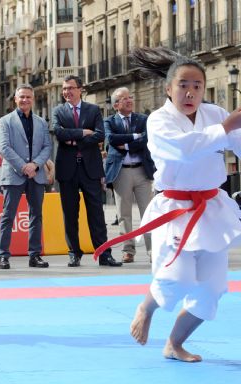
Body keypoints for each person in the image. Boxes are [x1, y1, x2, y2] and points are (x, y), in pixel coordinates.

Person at [95, 47, 241, 362]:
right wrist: (228, 127)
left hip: (211, 207)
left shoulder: (214, 115)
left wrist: (231, 129)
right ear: (168, 88)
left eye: (197, 86)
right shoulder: (159, 121)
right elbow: (186, 150)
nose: (190, 92)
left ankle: (174, 343)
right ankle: (146, 308)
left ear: (204, 89)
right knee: (178, 277)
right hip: (175, 210)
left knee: (212, 289)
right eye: (183, 85)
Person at [52, 75, 122, 268]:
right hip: (67, 170)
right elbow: (59, 133)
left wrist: (72, 138)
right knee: (70, 214)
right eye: (64, 89)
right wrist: (83, 132)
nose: (67, 92)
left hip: (90, 168)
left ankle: (104, 254)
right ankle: (74, 253)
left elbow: (100, 134)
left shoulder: (93, 110)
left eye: (70, 88)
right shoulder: (58, 111)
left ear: (80, 89)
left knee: (96, 214)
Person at [0, 84, 52, 270]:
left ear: (33, 99)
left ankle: (34, 255)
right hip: (14, 174)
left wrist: (35, 165)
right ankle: (3, 255)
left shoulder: (41, 122)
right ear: (15, 99)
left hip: (36, 174)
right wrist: (23, 167)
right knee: (8, 216)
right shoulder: (5, 121)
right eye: (21, 97)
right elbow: (4, 147)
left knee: (36, 215)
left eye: (28, 97)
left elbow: (47, 147)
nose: (25, 100)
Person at [104, 87, 154, 263]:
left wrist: (124, 145)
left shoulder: (143, 120)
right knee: (124, 214)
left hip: (142, 170)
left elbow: (146, 140)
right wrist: (134, 137)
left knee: (148, 212)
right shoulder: (109, 121)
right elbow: (111, 140)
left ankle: (152, 250)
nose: (129, 100)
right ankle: (128, 250)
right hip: (121, 171)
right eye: (124, 98)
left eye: (130, 97)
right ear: (116, 105)